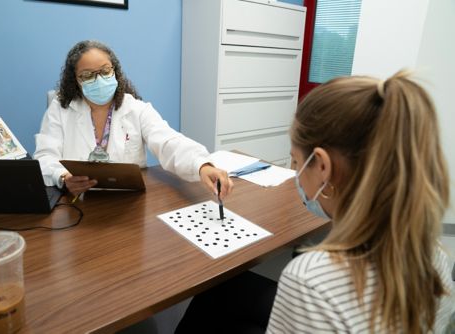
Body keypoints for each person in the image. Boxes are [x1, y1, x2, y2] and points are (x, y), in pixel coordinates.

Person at [175, 70, 454, 333]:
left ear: (322, 166)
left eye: (296, 161)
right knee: (221, 290)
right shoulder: (436, 255)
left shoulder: (311, 280)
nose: (295, 173)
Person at [34, 40, 232, 198]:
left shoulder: (136, 108)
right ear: (75, 81)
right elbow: (45, 156)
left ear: (115, 72)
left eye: (105, 71)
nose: (99, 80)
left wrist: (202, 166)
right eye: (87, 75)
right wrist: (63, 177)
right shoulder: (60, 109)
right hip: (78, 201)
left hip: (129, 201)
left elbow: (168, 142)